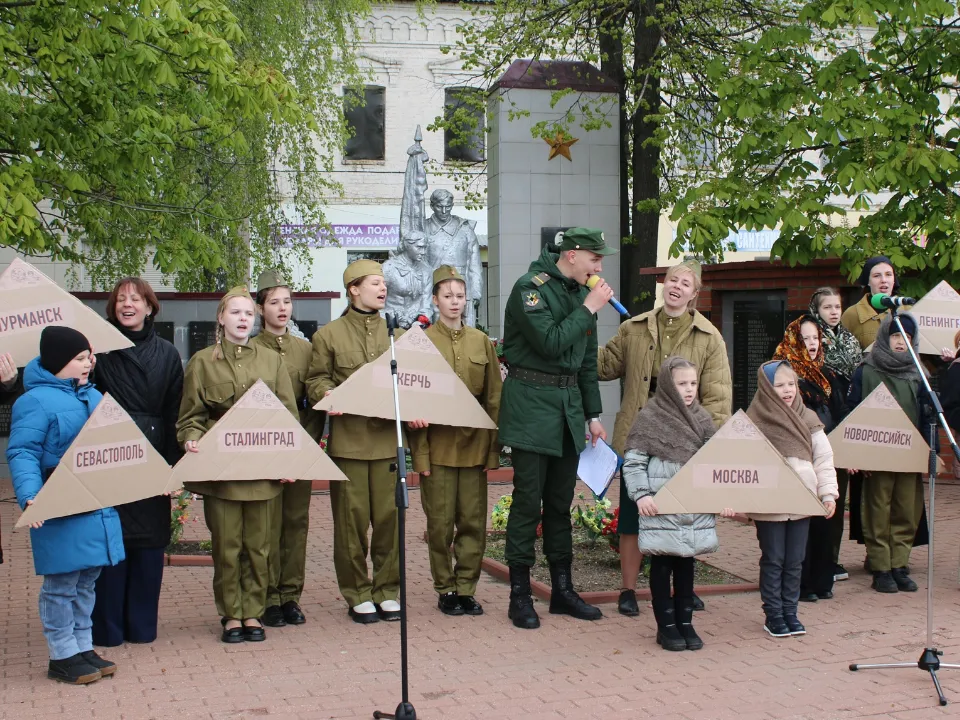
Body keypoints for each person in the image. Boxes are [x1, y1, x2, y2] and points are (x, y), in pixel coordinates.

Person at [597, 259, 732, 616]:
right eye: (672, 280)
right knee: (634, 515)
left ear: (694, 293)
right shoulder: (634, 328)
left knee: (682, 514)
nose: (676, 287)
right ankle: (628, 589)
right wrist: (583, 320)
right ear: (663, 284)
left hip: (685, 443)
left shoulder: (709, 337)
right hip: (639, 434)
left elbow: (717, 397)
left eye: (685, 284)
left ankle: (682, 588)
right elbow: (603, 366)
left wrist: (711, 447)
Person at [497, 227, 616, 630]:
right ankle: (519, 594)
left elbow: (584, 361)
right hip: (531, 404)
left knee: (561, 504)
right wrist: (589, 307)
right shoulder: (530, 289)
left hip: (566, 409)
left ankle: (562, 590)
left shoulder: (579, 294)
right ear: (572, 255)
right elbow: (549, 343)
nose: (600, 267)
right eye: (595, 259)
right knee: (529, 501)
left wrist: (593, 415)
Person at [305, 260, 428, 624]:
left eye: (383, 283)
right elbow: (315, 380)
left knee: (390, 522)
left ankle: (387, 591)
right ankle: (358, 592)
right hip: (350, 444)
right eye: (375, 283)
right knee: (351, 524)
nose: (382, 288)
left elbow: (415, 380)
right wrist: (326, 392)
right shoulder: (329, 336)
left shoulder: (398, 334)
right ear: (353, 289)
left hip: (388, 443)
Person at [177, 287, 298, 643]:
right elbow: (190, 417)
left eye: (248, 313)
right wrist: (190, 438)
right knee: (228, 547)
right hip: (223, 471)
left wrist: (289, 458)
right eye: (235, 313)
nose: (243, 319)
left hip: (262, 469)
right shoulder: (202, 362)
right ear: (221, 318)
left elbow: (288, 416)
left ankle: (254, 613)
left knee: (260, 548)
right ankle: (232, 614)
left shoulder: (272, 361)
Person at [7, 326, 124, 683]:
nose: (89, 363)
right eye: (80, 358)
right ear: (59, 362)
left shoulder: (92, 396)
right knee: (61, 583)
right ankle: (61, 654)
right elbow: (23, 451)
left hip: (94, 502)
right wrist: (31, 496)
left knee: (87, 579)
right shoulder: (34, 400)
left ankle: (82, 646)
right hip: (59, 502)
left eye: (89, 357)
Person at [90, 278, 184, 647]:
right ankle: (107, 630)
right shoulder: (98, 350)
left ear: (149, 307)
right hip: (109, 455)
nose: (127, 304)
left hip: (154, 454)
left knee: (148, 544)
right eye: (120, 299)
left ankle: (142, 627)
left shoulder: (167, 353)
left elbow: (176, 409)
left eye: (136, 298)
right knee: (111, 542)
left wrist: (174, 466)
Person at [622, 356, 734, 651]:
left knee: (686, 565)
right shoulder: (650, 418)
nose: (688, 389)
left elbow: (715, 464)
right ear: (668, 385)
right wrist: (642, 494)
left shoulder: (702, 419)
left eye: (693, 383)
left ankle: (685, 621)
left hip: (692, 509)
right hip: (661, 507)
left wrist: (723, 498)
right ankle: (666, 626)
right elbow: (633, 463)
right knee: (662, 564)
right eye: (681, 383)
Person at [410, 266, 502, 616]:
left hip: (474, 447)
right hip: (437, 449)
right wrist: (419, 451)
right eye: (447, 296)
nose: (454, 302)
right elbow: (411, 395)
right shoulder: (420, 342)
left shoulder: (481, 342)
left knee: (473, 523)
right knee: (439, 525)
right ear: (435, 300)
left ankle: (466, 587)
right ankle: (445, 587)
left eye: (460, 296)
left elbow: (493, 396)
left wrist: (492, 449)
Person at [250, 270, 324, 629]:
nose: (282, 309)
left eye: (287, 302)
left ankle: (290, 595)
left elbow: (313, 397)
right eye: (274, 302)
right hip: (263, 447)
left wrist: (305, 443)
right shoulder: (250, 350)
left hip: (300, 444)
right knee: (265, 527)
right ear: (260, 307)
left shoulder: (305, 349)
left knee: (296, 524)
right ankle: (266, 597)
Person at [747, 361, 838, 638]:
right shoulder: (754, 420)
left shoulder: (808, 418)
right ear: (766, 388)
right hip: (770, 503)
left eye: (791, 384)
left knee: (795, 559)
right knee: (774, 558)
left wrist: (828, 493)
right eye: (779, 385)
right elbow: (745, 463)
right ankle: (773, 614)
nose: (786, 390)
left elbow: (823, 458)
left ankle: (791, 611)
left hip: (802, 501)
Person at [847, 314, 932, 594]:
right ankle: (881, 567)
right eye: (896, 336)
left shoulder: (919, 373)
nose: (901, 342)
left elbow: (926, 415)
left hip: (909, 455)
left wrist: (929, 451)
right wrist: (858, 453)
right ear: (885, 337)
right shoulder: (867, 370)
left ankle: (900, 565)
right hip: (877, 454)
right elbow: (852, 413)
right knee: (877, 509)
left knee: (906, 510)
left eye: (907, 337)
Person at [773, 316, 846, 602]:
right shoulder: (782, 374)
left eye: (815, 337)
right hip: (798, 460)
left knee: (825, 522)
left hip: (827, 456)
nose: (811, 343)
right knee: (800, 526)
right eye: (804, 338)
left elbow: (841, 412)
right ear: (793, 340)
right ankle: (800, 585)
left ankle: (820, 580)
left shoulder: (829, 374)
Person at [807, 287, 862, 582]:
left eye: (837, 306)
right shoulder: (808, 339)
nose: (833, 311)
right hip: (819, 423)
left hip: (845, 418)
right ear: (816, 309)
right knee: (817, 489)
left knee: (836, 494)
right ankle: (815, 559)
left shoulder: (850, 341)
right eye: (827, 307)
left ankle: (832, 558)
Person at [424, 189, 483, 326]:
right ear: (432, 206)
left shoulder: (465, 229)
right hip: (432, 287)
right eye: (439, 206)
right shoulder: (424, 228)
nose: (444, 211)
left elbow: (474, 263)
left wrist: (475, 291)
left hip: (462, 287)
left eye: (448, 206)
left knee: (465, 333)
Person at [841, 256, 904, 349]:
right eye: (877, 275)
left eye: (888, 274)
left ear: (894, 280)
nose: (884, 280)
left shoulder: (908, 311)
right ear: (868, 281)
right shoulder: (851, 314)